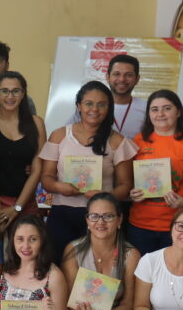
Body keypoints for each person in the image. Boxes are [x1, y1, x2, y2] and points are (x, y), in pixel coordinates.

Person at [40, 81, 137, 258]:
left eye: (102, 104)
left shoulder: (117, 141)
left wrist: (105, 196)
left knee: (94, 270)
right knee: (56, 263)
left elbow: (125, 185)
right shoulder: (59, 135)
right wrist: (60, 187)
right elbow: (46, 177)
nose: (95, 109)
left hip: (101, 218)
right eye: (89, 103)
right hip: (62, 213)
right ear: (79, 106)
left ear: (109, 107)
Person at [128, 90, 183, 255]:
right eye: (154, 109)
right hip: (141, 225)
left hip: (182, 226)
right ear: (148, 114)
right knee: (141, 277)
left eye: (167, 108)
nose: (160, 114)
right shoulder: (137, 142)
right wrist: (132, 193)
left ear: (179, 111)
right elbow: (128, 183)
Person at [0, 71, 46, 232]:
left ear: (23, 94)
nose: (10, 96)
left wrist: (17, 208)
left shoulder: (36, 122)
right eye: (4, 91)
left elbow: (38, 169)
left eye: (16, 91)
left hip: (27, 203)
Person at [65, 55, 146, 139]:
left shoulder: (147, 109)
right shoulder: (90, 108)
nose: (122, 79)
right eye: (116, 74)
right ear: (107, 77)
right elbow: (67, 135)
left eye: (128, 75)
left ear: (137, 79)